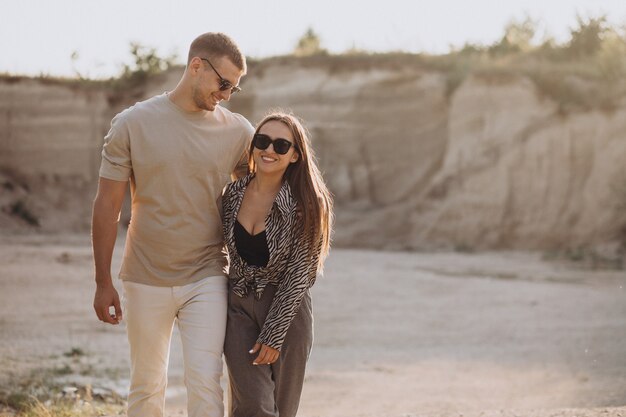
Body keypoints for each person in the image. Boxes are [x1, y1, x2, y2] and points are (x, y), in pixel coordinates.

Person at [91, 32, 254, 417]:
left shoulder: (239, 132)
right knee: (146, 387)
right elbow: (107, 206)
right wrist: (102, 281)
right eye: (224, 83)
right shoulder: (132, 123)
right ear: (196, 66)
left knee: (204, 382)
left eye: (235, 87)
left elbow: (265, 195)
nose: (227, 94)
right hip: (144, 276)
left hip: (207, 274)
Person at [221, 111, 333, 417]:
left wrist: (273, 333)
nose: (269, 150)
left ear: (295, 155)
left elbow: (301, 273)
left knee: (282, 410)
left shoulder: (307, 202)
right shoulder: (232, 194)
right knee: (252, 404)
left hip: (288, 313)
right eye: (262, 141)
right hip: (239, 306)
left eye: (281, 145)